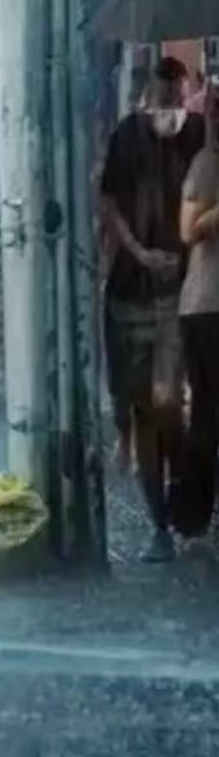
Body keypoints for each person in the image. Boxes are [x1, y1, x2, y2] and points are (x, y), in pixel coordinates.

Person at [100, 56, 205, 562]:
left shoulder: (202, 133)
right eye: (165, 98)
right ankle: (159, 522)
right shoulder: (127, 135)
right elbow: (110, 203)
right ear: (150, 94)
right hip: (132, 291)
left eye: (178, 98)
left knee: (167, 403)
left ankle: (185, 488)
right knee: (143, 410)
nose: (172, 108)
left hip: (184, 291)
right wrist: (139, 253)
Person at [177, 82, 219, 542]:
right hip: (208, 306)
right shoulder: (206, 165)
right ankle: (191, 510)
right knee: (208, 411)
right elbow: (188, 230)